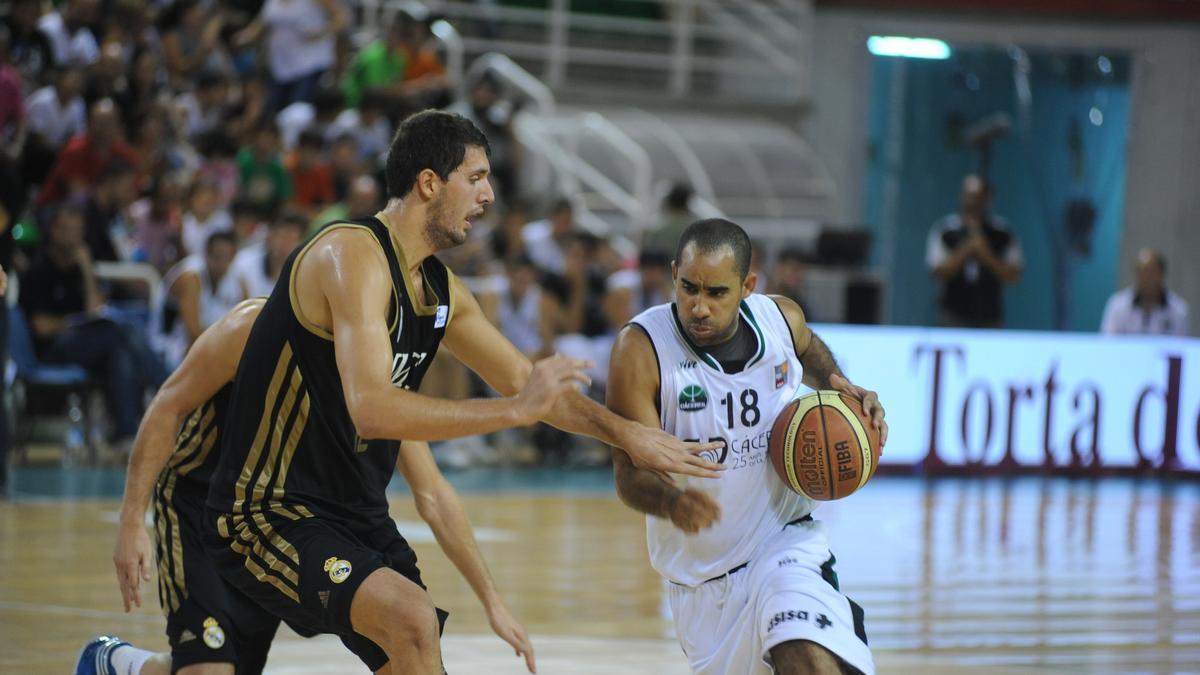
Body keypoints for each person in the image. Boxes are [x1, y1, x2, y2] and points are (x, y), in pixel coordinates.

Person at [203, 110, 722, 674]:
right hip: (268, 509)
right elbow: (373, 408)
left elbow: (528, 383)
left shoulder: (439, 289)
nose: (488, 195)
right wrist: (514, 412)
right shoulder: (350, 255)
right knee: (410, 616)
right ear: (429, 183)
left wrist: (626, 435)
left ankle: (120, 666)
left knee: (418, 644)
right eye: (475, 178)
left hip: (354, 511)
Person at [78, 300, 537, 675]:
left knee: (407, 640)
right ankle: (119, 663)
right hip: (198, 503)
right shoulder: (251, 327)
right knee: (210, 668)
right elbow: (166, 407)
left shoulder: (376, 374)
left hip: (282, 515)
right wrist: (131, 520)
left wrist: (492, 600)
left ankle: (139, 665)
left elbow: (433, 493)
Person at [607, 218, 887, 675]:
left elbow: (809, 348)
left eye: (716, 292)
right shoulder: (641, 350)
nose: (699, 306)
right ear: (674, 273)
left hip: (784, 546)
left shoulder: (780, 318)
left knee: (808, 657)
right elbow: (627, 474)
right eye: (689, 288)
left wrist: (845, 390)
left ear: (747, 286)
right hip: (701, 586)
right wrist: (672, 501)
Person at [925, 174, 1022, 328]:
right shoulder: (946, 230)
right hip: (952, 315)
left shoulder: (1003, 233)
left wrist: (986, 255)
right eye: (970, 196)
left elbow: (1014, 274)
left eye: (979, 197)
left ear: (988, 199)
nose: (974, 202)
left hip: (989, 316)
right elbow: (936, 271)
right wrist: (966, 250)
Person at [1100, 248, 1190, 336]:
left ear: (1162, 274)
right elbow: (1108, 343)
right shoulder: (1118, 305)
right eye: (1141, 272)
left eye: (1151, 272)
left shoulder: (1178, 309)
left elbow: (1181, 346)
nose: (1145, 278)